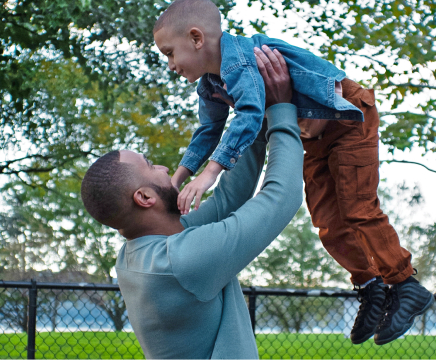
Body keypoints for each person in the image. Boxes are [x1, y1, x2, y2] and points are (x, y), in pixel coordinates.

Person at [152, 0, 434, 345]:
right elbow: (208, 130)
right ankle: (371, 287)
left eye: (169, 53)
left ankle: (405, 284)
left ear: (197, 39)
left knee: (357, 208)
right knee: (327, 221)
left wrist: (210, 174)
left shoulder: (239, 60)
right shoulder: (209, 85)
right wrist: (178, 178)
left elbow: (252, 114)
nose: (170, 65)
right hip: (311, 133)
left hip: (347, 116)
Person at [81, 49, 303, 358]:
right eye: (150, 165)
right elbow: (282, 197)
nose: (162, 167)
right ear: (145, 198)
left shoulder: (142, 252)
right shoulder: (181, 262)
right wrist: (281, 108)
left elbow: (228, 200)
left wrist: (255, 113)